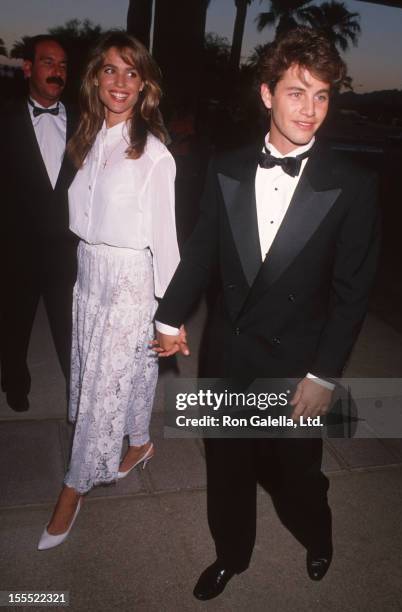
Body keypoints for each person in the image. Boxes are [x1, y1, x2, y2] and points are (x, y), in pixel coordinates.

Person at [155, 27, 380, 600]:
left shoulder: (351, 185)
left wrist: (324, 374)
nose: (311, 110)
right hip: (229, 349)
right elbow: (202, 248)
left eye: (323, 95)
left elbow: (353, 293)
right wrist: (167, 315)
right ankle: (232, 554)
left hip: (297, 360)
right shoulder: (227, 166)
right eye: (297, 92)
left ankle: (317, 532)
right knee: (226, 466)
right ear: (266, 94)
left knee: (294, 473)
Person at [37, 31, 180, 550]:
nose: (120, 83)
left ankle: (72, 489)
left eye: (132, 72)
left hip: (128, 279)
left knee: (101, 391)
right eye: (110, 71)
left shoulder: (155, 157)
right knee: (129, 372)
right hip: (89, 272)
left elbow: (166, 241)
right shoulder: (89, 138)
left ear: (145, 86)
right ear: (95, 78)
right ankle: (140, 444)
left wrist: (170, 316)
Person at [0, 35, 78, 412]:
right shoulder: (6, 119)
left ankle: (76, 393)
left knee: (70, 329)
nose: (57, 71)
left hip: (66, 249)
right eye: (48, 63)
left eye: (62, 65)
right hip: (17, 249)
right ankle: (15, 383)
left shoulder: (84, 121)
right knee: (14, 324)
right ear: (28, 68)